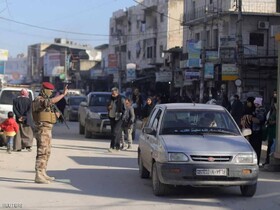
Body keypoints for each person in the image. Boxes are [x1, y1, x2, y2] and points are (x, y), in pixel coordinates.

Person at [32, 82, 68, 184]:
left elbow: (47, 115)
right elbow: (49, 102)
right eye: (50, 91)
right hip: (42, 130)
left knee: (47, 152)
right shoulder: (38, 100)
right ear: (44, 90)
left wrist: (55, 116)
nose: (51, 93)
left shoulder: (45, 101)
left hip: (47, 130)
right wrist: (63, 95)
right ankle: (38, 174)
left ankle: (43, 172)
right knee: (42, 152)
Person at [249, 97, 266, 165]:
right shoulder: (257, 109)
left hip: (258, 131)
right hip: (254, 130)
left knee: (257, 148)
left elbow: (259, 120)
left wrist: (252, 118)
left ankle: (256, 162)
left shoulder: (261, 110)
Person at [108, 87, 124, 152]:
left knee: (115, 131)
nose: (113, 94)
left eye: (114, 93)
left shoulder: (121, 99)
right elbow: (108, 105)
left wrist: (122, 117)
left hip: (119, 118)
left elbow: (125, 110)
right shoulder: (111, 99)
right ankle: (115, 146)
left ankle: (114, 146)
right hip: (112, 117)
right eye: (112, 93)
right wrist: (108, 107)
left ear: (117, 93)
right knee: (113, 132)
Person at [264, 98, 277, 165]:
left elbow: (272, 121)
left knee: (272, 147)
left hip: (275, 133)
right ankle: (268, 161)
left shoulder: (276, 112)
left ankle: (269, 161)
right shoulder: (272, 111)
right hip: (271, 133)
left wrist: (272, 122)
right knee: (269, 147)